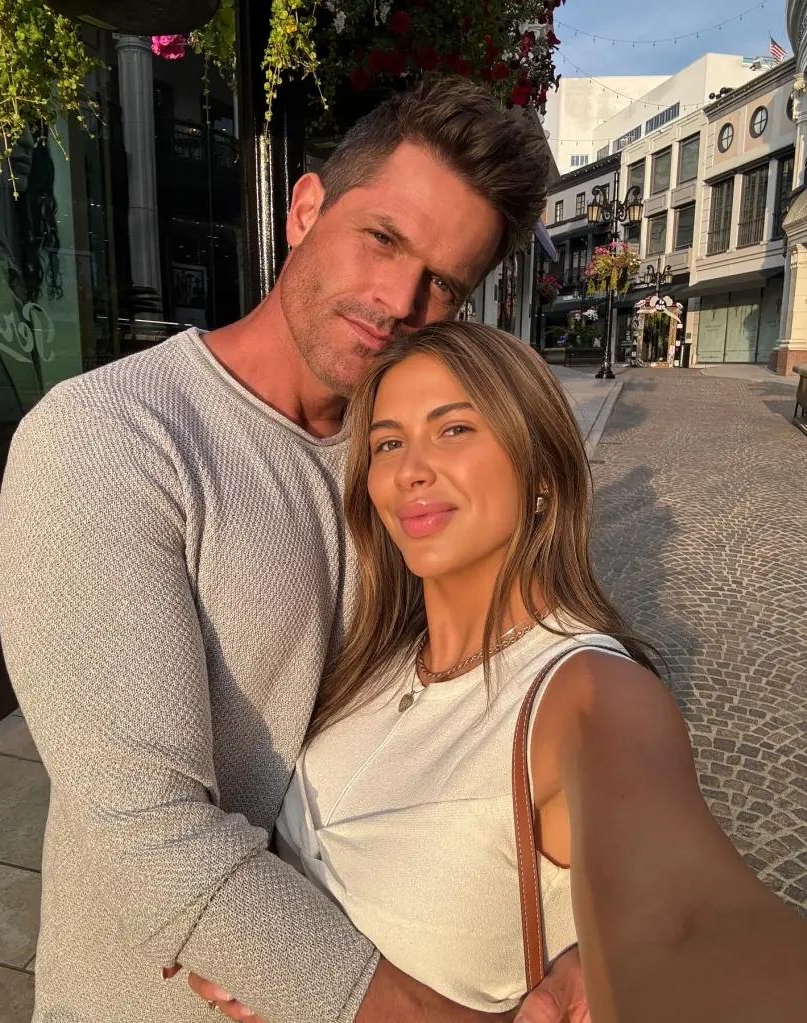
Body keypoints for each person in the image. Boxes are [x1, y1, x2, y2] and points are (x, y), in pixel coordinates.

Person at [0, 79, 586, 1023]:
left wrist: (597, 929)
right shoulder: (112, 438)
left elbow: (534, 663)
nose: (400, 299)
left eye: (443, 281)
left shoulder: (404, 465)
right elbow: (147, 833)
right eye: (383, 239)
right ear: (305, 208)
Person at [274, 320, 807, 1021]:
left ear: (543, 476)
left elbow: (690, 927)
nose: (410, 469)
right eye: (387, 442)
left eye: (454, 429)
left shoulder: (587, 691)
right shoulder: (368, 660)